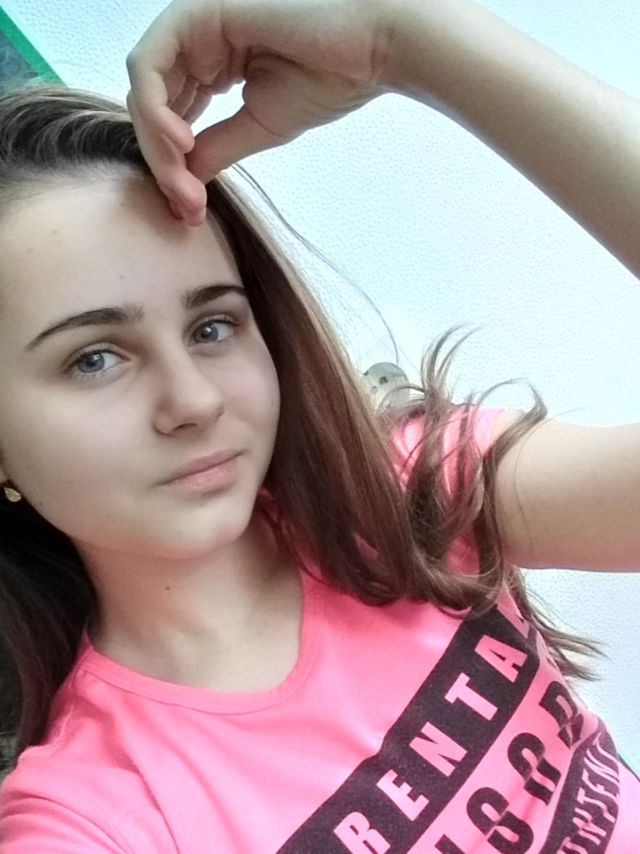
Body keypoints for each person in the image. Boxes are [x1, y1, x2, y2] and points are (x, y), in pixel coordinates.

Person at [0, 0, 638, 850]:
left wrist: (404, 41)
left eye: (212, 326)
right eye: (93, 359)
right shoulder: (93, 815)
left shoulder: (411, 496)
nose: (194, 401)